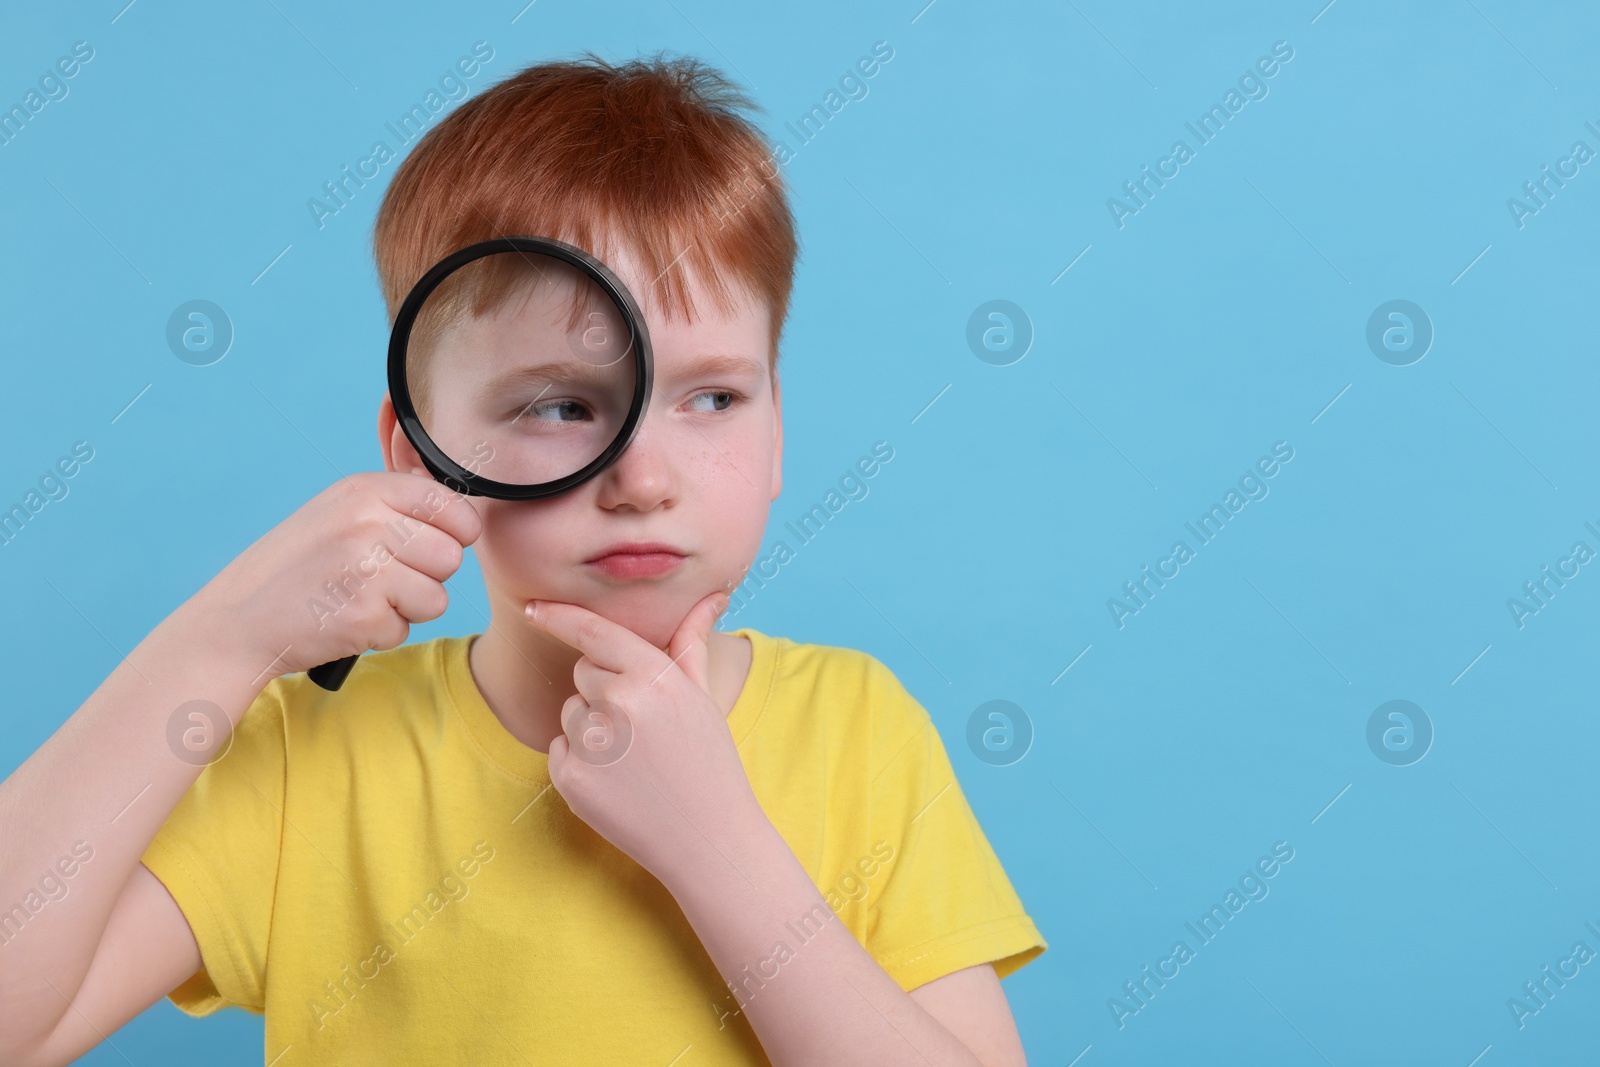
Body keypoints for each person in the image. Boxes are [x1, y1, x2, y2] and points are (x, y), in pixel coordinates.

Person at [0, 52, 1046, 1066]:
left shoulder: (859, 731)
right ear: (423, 454)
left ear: (776, 437)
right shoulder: (316, 753)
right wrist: (216, 641)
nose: (642, 477)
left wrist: (717, 847)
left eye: (712, 397)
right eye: (561, 404)